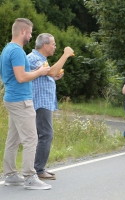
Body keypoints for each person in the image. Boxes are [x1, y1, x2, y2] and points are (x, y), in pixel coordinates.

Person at [0, 18, 51, 190]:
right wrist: (41, 72)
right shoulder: (17, 52)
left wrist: (35, 71)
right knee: (31, 138)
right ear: (23, 31)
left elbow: (18, 75)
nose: (30, 36)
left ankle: (11, 175)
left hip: (12, 98)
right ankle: (30, 177)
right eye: (29, 32)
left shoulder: (8, 49)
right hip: (21, 100)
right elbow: (21, 78)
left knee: (13, 139)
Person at [27, 33, 74, 180]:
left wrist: (53, 77)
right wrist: (65, 55)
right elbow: (50, 70)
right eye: (53, 44)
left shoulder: (42, 60)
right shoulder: (33, 58)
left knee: (42, 135)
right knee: (46, 134)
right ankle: (38, 170)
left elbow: (47, 73)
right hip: (40, 103)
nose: (55, 47)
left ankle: (35, 168)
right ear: (45, 45)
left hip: (44, 102)